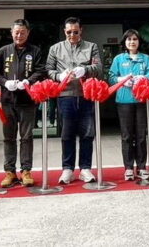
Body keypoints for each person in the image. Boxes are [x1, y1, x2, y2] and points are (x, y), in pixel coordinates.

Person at [45, 17, 102, 184]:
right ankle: (67, 169)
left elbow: (99, 69)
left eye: (75, 32)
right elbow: (48, 70)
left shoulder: (91, 47)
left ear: (81, 30)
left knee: (87, 133)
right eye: (69, 32)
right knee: (67, 134)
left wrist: (84, 70)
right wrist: (58, 75)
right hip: (65, 96)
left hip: (86, 95)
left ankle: (85, 168)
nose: (72, 35)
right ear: (64, 31)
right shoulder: (55, 48)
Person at [0, 19, 46, 188]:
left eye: (22, 32)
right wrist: (5, 82)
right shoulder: (3, 51)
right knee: (9, 137)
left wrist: (28, 81)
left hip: (28, 101)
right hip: (8, 101)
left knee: (27, 137)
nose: (19, 35)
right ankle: (9, 172)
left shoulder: (35, 51)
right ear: (11, 32)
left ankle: (26, 171)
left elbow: (40, 70)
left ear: (28, 33)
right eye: (16, 32)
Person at [108, 29, 149, 181]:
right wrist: (121, 80)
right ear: (124, 42)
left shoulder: (146, 59)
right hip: (124, 101)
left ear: (139, 41)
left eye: (135, 39)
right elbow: (111, 77)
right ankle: (128, 167)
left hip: (141, 101)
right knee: (127, 135)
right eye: (128, 39)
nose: (132, 42)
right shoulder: (118, 59)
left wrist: (144, 78)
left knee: (141, 135)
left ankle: (142, 166)